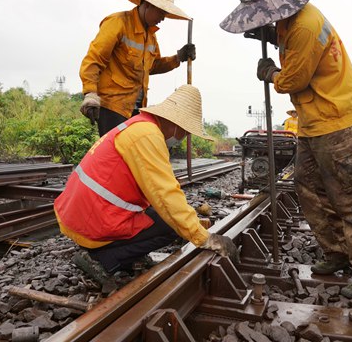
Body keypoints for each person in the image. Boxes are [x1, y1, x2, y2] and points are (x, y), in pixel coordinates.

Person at [221, 0, 352, 299]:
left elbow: (293, 80)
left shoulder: (303, 26)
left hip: (336, 122)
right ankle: (339, 251)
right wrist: (271, 36)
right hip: (314, 122)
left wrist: (270, 73)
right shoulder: (290, 23)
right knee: (309, 186)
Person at [54, 85, 238, 279]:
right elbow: (166, 195)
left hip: (83, 215)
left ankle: (128, 257)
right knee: (170, 226)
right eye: (184, 131)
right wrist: (205, 238)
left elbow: (154, 194)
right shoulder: (148, 136)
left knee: (162, 216)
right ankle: (104, 258)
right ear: (174, 123)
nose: (183, 137)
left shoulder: (140, 126)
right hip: (92, 222)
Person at [79, 0, 197, 136]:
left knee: (131, 154)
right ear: (147, 4)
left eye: (166, 13)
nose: (163, 18)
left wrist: (178, 58)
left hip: (136, 108)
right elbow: (94, 58)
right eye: (161, 12)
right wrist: (90, 94)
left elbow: (152, 66)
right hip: (113, 106)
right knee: (117, 155)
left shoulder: (151, 37)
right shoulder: (118, 22)